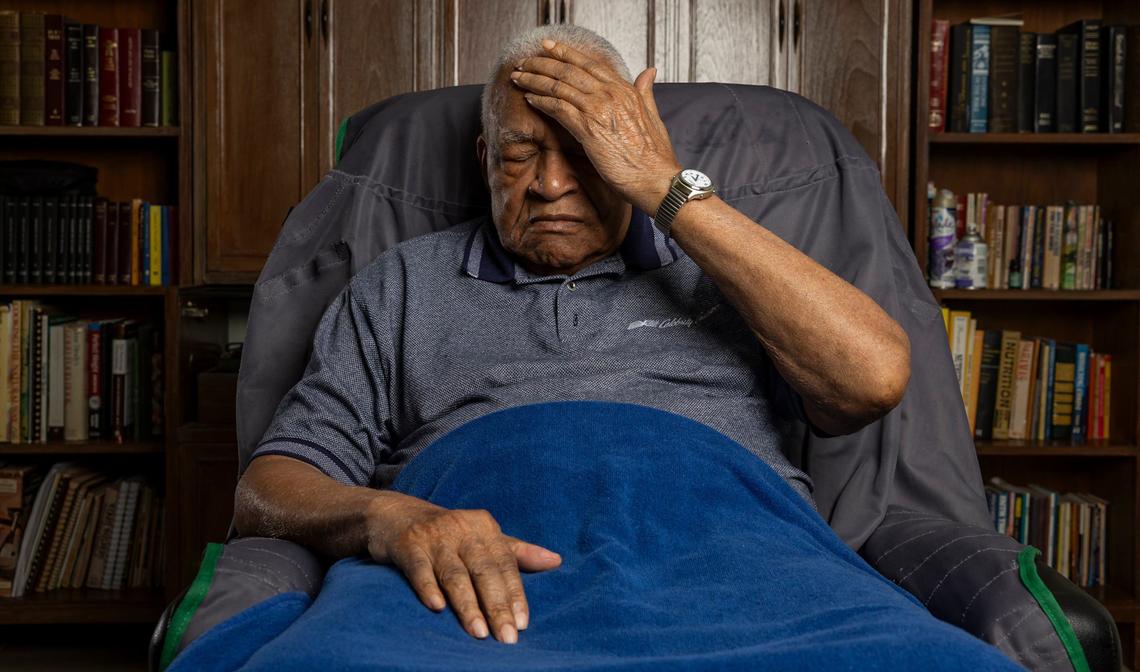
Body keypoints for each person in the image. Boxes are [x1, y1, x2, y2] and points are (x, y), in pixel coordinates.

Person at [234, 24, 910, 647]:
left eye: (586, 153)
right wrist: (391, 519)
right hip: (474, 593)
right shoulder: (400, 286)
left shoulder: (734, 266)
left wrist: (662, 186)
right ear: (484, 158)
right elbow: (270, 485)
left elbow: (872, 379)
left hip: (735, 566)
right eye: (519, 156)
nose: (551, 184)